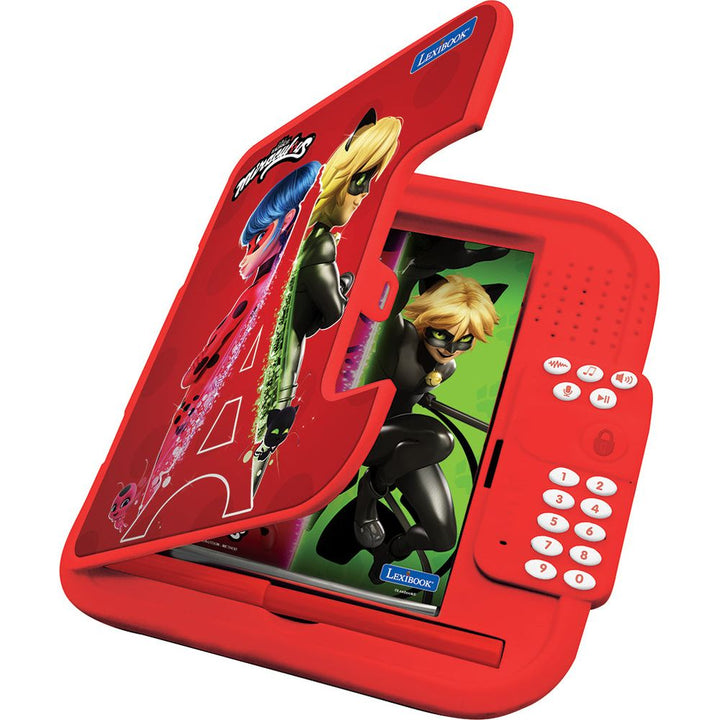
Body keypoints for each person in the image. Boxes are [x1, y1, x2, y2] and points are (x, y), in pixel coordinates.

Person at [251, 111, 402, 493]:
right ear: (338, 179)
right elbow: (333, 311)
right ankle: (262, 457)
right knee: (272, 433)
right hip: (284, 370)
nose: (363, 195)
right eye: (360, 182)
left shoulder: (305, 237)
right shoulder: (318, 244)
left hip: (282, 353)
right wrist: (346, 285)